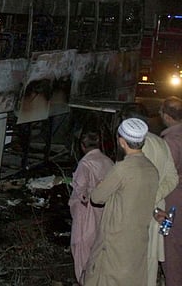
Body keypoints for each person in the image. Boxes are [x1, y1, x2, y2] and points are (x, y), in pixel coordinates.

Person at [83, 118, 159, 286]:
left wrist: (101, 185)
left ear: (122, 142)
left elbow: (97, 197)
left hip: (116, 238)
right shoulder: (151, 168)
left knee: (106, 278)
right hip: (138, 237)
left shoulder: (123, 168)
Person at [119, 104, 178, 286]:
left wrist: (146, 200)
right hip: (156, 213)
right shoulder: (160, 143)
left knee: (126, 266)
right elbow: (172, 178)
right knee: (149, 266)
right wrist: (154, 198)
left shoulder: (132, 148)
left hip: (134, 215)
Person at [68, 130, 113, 284]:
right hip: (105, 211)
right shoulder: (108, 161)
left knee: (81, 246)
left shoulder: (85, 164)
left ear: (82, 146)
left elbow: (80, 191)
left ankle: (84, 280)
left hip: (86, 212)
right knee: (98, 247)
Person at [159, 96, 182, 286]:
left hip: (174, 200)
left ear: (167, 116)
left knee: (171, 249)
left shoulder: (171, 141)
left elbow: (168, 173)